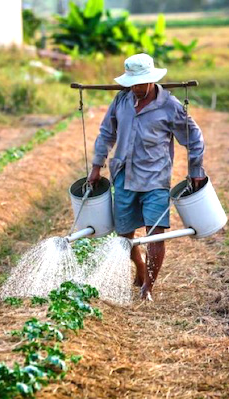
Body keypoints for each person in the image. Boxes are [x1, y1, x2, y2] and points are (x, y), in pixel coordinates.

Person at [87, 53, 206, 301]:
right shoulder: (121, 100)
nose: (137, 88)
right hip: (124, 176)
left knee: (156, 233)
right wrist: (96, 166)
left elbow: (194, 138)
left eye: (141, 83)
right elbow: (106, 133)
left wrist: (195, 170)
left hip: (155, 179)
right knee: (124, 236)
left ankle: (147, 288)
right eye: (133, 83)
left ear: (152, 80)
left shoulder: (170, 106)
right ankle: (140, 267)